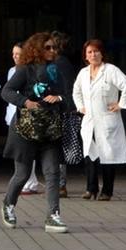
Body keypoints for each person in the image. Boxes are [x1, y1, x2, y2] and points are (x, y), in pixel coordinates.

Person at [0, 32, 69, 233]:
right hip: (26, 129)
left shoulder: (56, 71)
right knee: (21, 174)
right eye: (47, 47)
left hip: (50, 129)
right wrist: (26, 102)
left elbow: (67, 96)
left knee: (52, 173)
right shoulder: (25, 70)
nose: (52, 51)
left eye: (53, 47)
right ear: (37, 49)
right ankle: (8, 204)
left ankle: (53, 215)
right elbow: (7, 91)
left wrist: (59, 99)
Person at [72, 39, 126, 200]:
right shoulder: (83, 73)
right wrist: (81, 107)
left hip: (107, 120)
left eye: (96, 51)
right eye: (90, 52)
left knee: (108, 156)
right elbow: (76, 92)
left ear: (102, 53)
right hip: (89, 121)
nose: (93, 55)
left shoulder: (111, 70)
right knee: (89, 154)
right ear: (85, 56)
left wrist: (121, 104)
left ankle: (107, 191)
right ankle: (91, 189)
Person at [5, 42, 42, 195]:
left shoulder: (32, 71)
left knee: (28, 150)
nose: (15, 56)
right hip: (14, 114)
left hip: (29, 114)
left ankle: (30, 183)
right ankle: (26, 181)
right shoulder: (12, 70)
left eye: (18, 53)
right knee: (19, 151)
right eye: (13, 53)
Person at [51, 31, 78, 198]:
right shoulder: (64, 62)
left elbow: (66, 87)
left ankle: (60, 185)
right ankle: (58, 184)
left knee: (58, 148)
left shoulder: (61, 63)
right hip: (63, 108)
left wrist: (64, 104)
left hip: (61, 110)